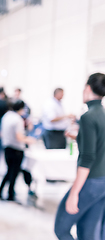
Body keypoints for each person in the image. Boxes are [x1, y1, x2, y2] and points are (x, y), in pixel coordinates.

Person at [54, 73, 105, 240]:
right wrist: (79, 137)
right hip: (102, 182)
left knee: (61, 228)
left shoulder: (88, 117)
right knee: (89, 233)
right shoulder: (102, 115)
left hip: (91, 181)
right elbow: (99, 144)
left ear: (88, 88)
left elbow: (88, 157)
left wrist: (74, 192)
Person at [0, 100, 36, 201]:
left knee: (9, 171)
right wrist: (29, 140)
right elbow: (19, 137)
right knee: (13, 173)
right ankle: (10, 194)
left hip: (7, 146)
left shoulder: (6, 116)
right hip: (16, 149)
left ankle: (0, 191)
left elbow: (1, 132)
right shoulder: (18, 119)